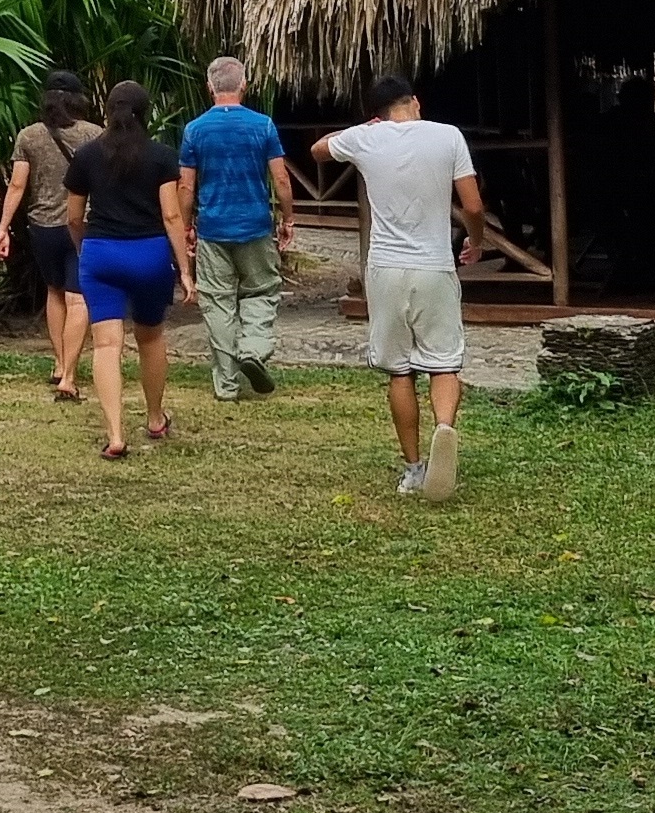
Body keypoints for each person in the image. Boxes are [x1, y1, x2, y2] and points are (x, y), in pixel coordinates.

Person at [314, 74, 487, 501]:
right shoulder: (448, 137)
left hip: (386, 268)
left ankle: (413, 468)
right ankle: (444, 427)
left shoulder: (365, 139)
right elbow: (473, 204)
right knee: (444, 363)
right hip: (433, 266)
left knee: (400, 369)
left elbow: (318, 150)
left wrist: (362, 131)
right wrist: (476, 241)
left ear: (377, 113)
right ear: (415, 102)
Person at [62, 80, 194, 458]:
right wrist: (184, 269)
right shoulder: (161, 156)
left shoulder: (86, 156)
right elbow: (171, 214)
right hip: (150, 255)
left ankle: (116, 435)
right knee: (150, 338)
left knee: (106, 344)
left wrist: (84, 248)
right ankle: (154, 417)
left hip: (101, 254)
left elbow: (73, 217)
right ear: (145, 112)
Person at [175, 54, 292, 401]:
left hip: (213, 228)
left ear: (209, 87)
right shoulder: (263, 125)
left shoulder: (194, 130)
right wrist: (288, 218)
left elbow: (185, 186)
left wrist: (186, 227)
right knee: (261, 292)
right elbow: (281, 178)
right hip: (255, 225)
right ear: (244, 85)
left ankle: (226, 384)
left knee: (218, 303)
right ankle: (253, 350)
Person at [0, 72, 105, 401]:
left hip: (42, 228)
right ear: (78, 99)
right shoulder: (95, 135)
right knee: (78, 297)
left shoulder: (29, 136)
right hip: (82, 225)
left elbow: (17, 185)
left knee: (54, 292)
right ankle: (69, 374)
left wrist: (2, 228)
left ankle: (58, 362)